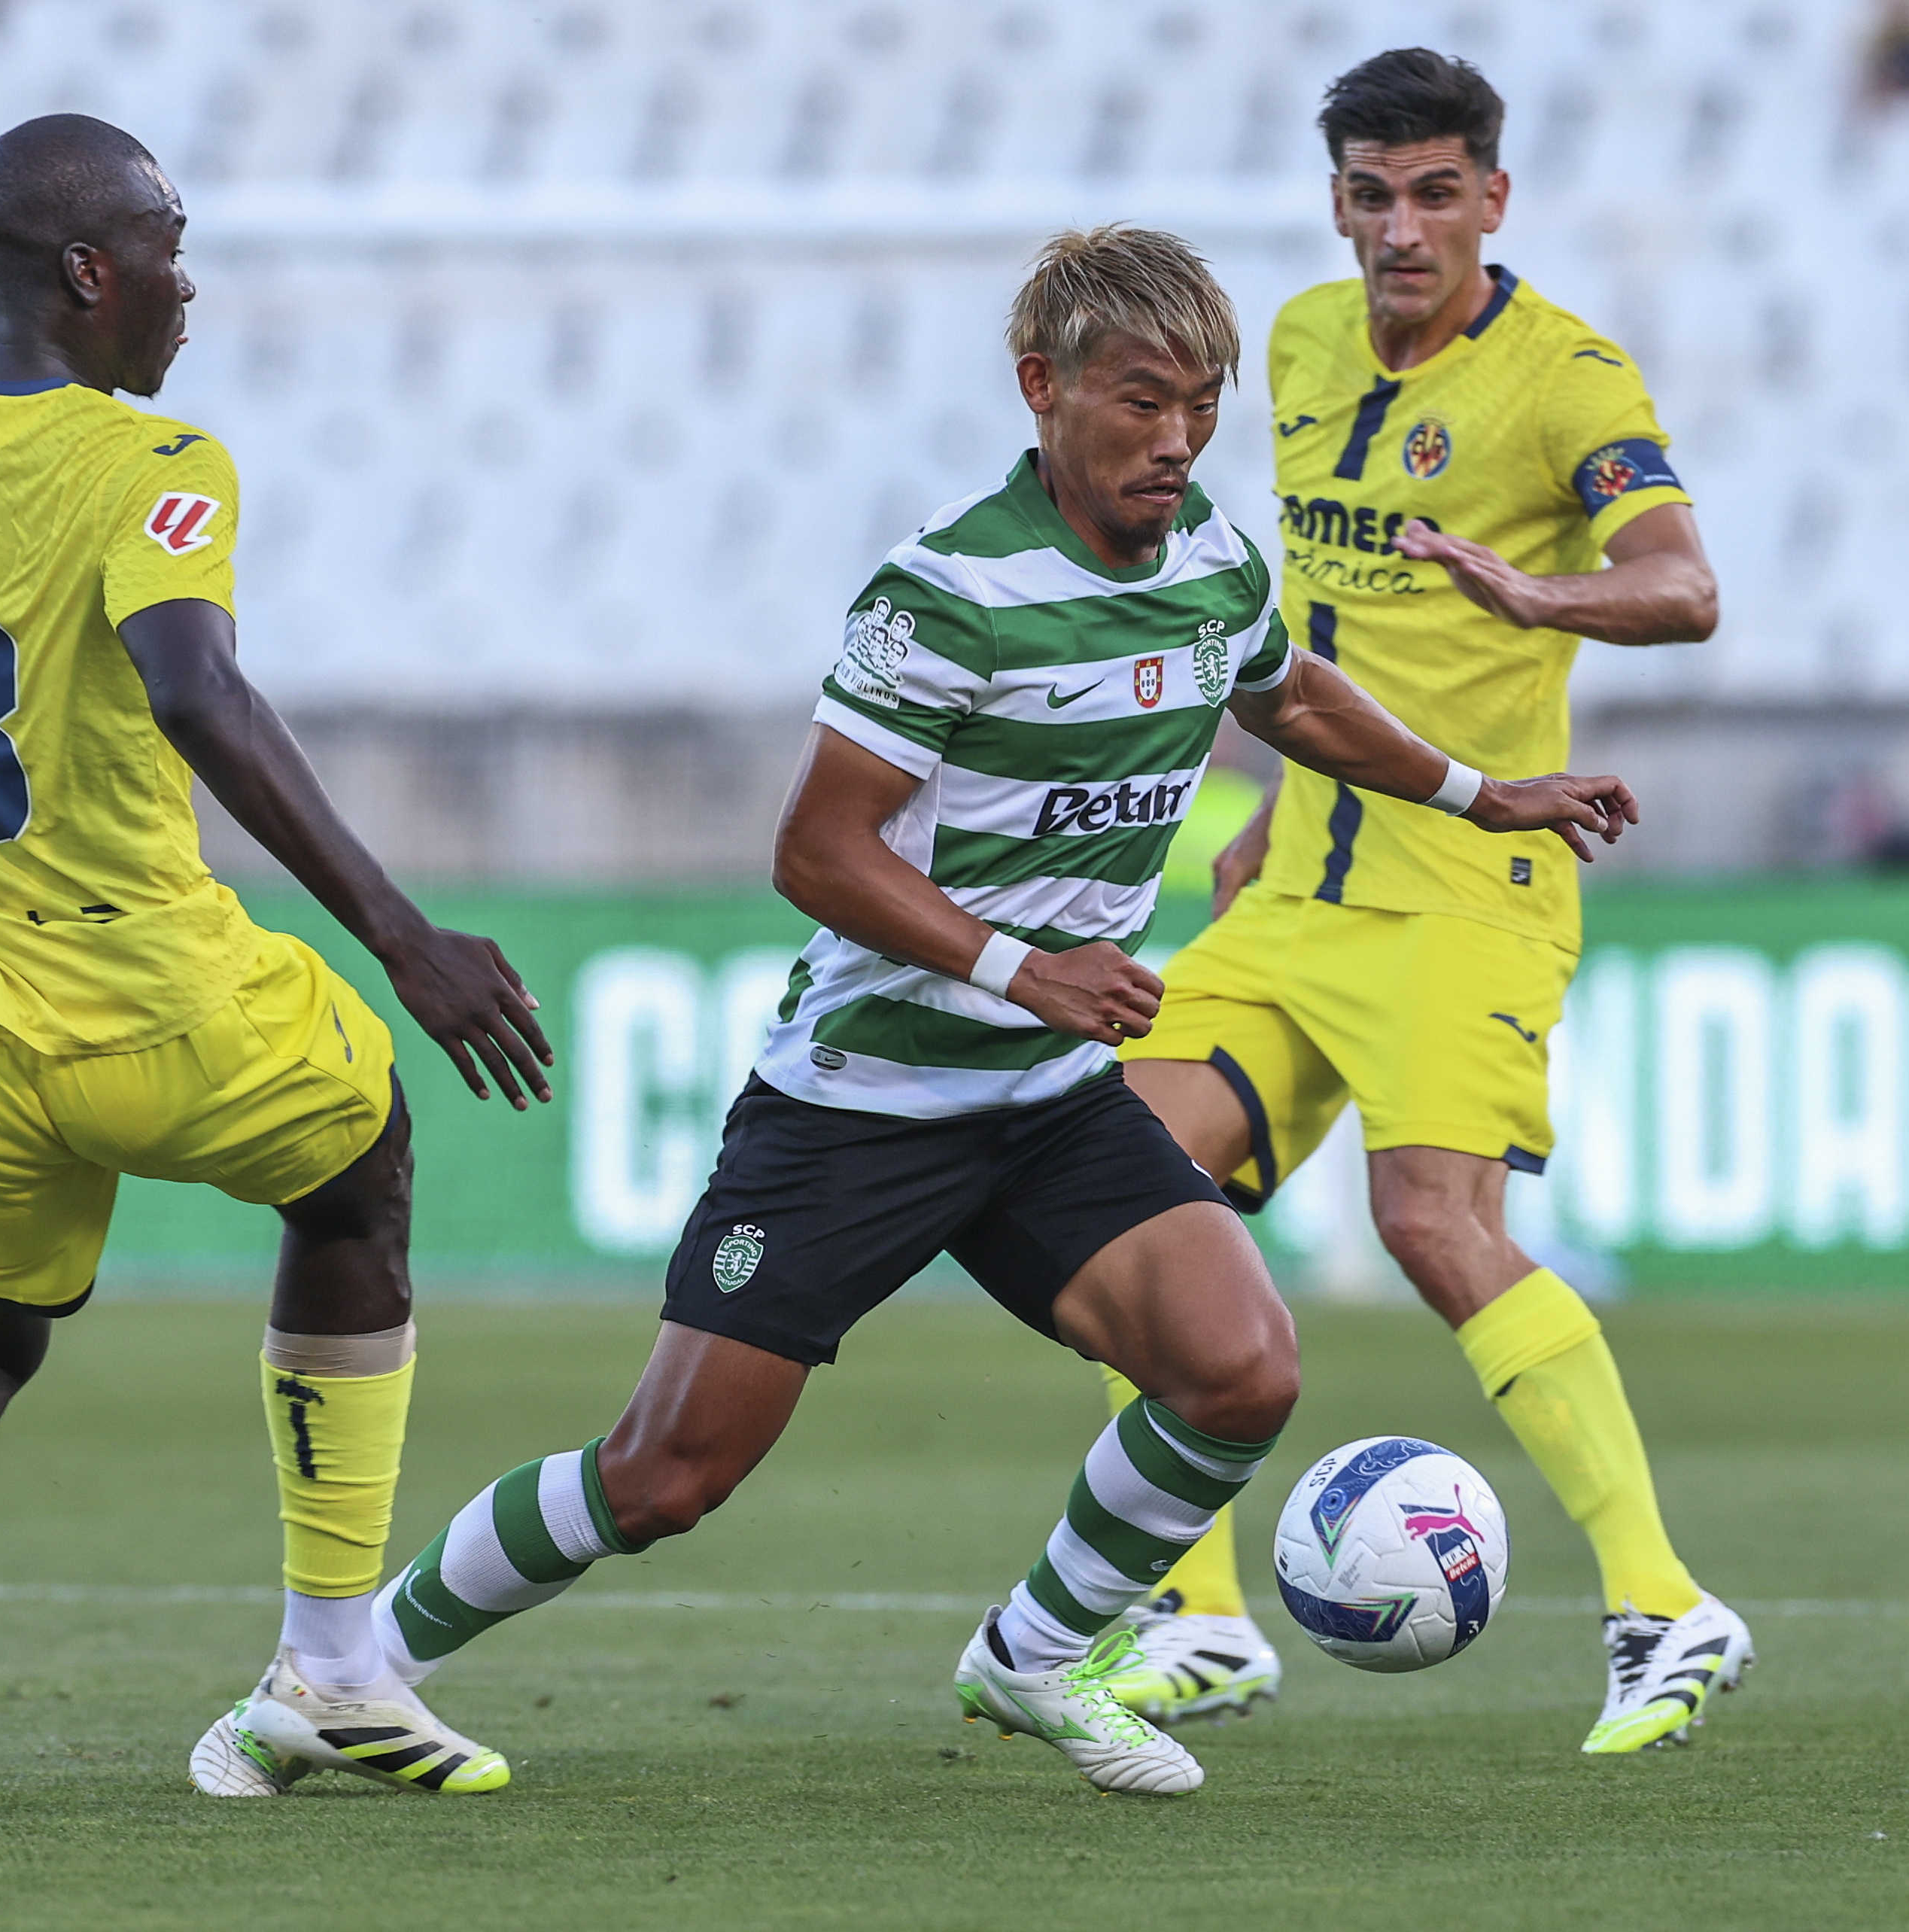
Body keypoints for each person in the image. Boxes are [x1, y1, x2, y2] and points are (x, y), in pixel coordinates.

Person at [187, 224, 1637, 1800]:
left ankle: (1037, 1653)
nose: (1176, 441)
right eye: (1143, 403)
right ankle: (334, 1675)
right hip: (862, 1100)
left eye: (1202, 406)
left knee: (1243, 1369)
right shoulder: (954, 594)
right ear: (1044, 387)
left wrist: (1483, 792)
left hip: (1044, 1100)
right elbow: (815, 850)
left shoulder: (1211, 561)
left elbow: (1284, 694)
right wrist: (1030, 970)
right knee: (665, 1476)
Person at [0, 114, 555, 1803]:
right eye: (166, 245)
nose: (186, 283)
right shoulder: (157, 466)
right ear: (89, 273)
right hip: (152, 998)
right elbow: (196, 688)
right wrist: (402, 934)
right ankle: (333, 1663)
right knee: (358, 1170)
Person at [1102, 49, 1749, 1756]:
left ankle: (1665, 1605)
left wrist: (1532, 587)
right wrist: (1254, 809)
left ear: (1493, 199)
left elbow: (1682, 589)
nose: (1402, 228)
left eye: (1435, 193)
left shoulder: (1561, 381)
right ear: (1337, 202)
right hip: (1298, 879)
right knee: (1113, 1198)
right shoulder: (1303, 345)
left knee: (1434, 1229)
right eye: (1372, 195)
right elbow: (1315, 625)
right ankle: (1205, 1622)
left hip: (1471, 885)